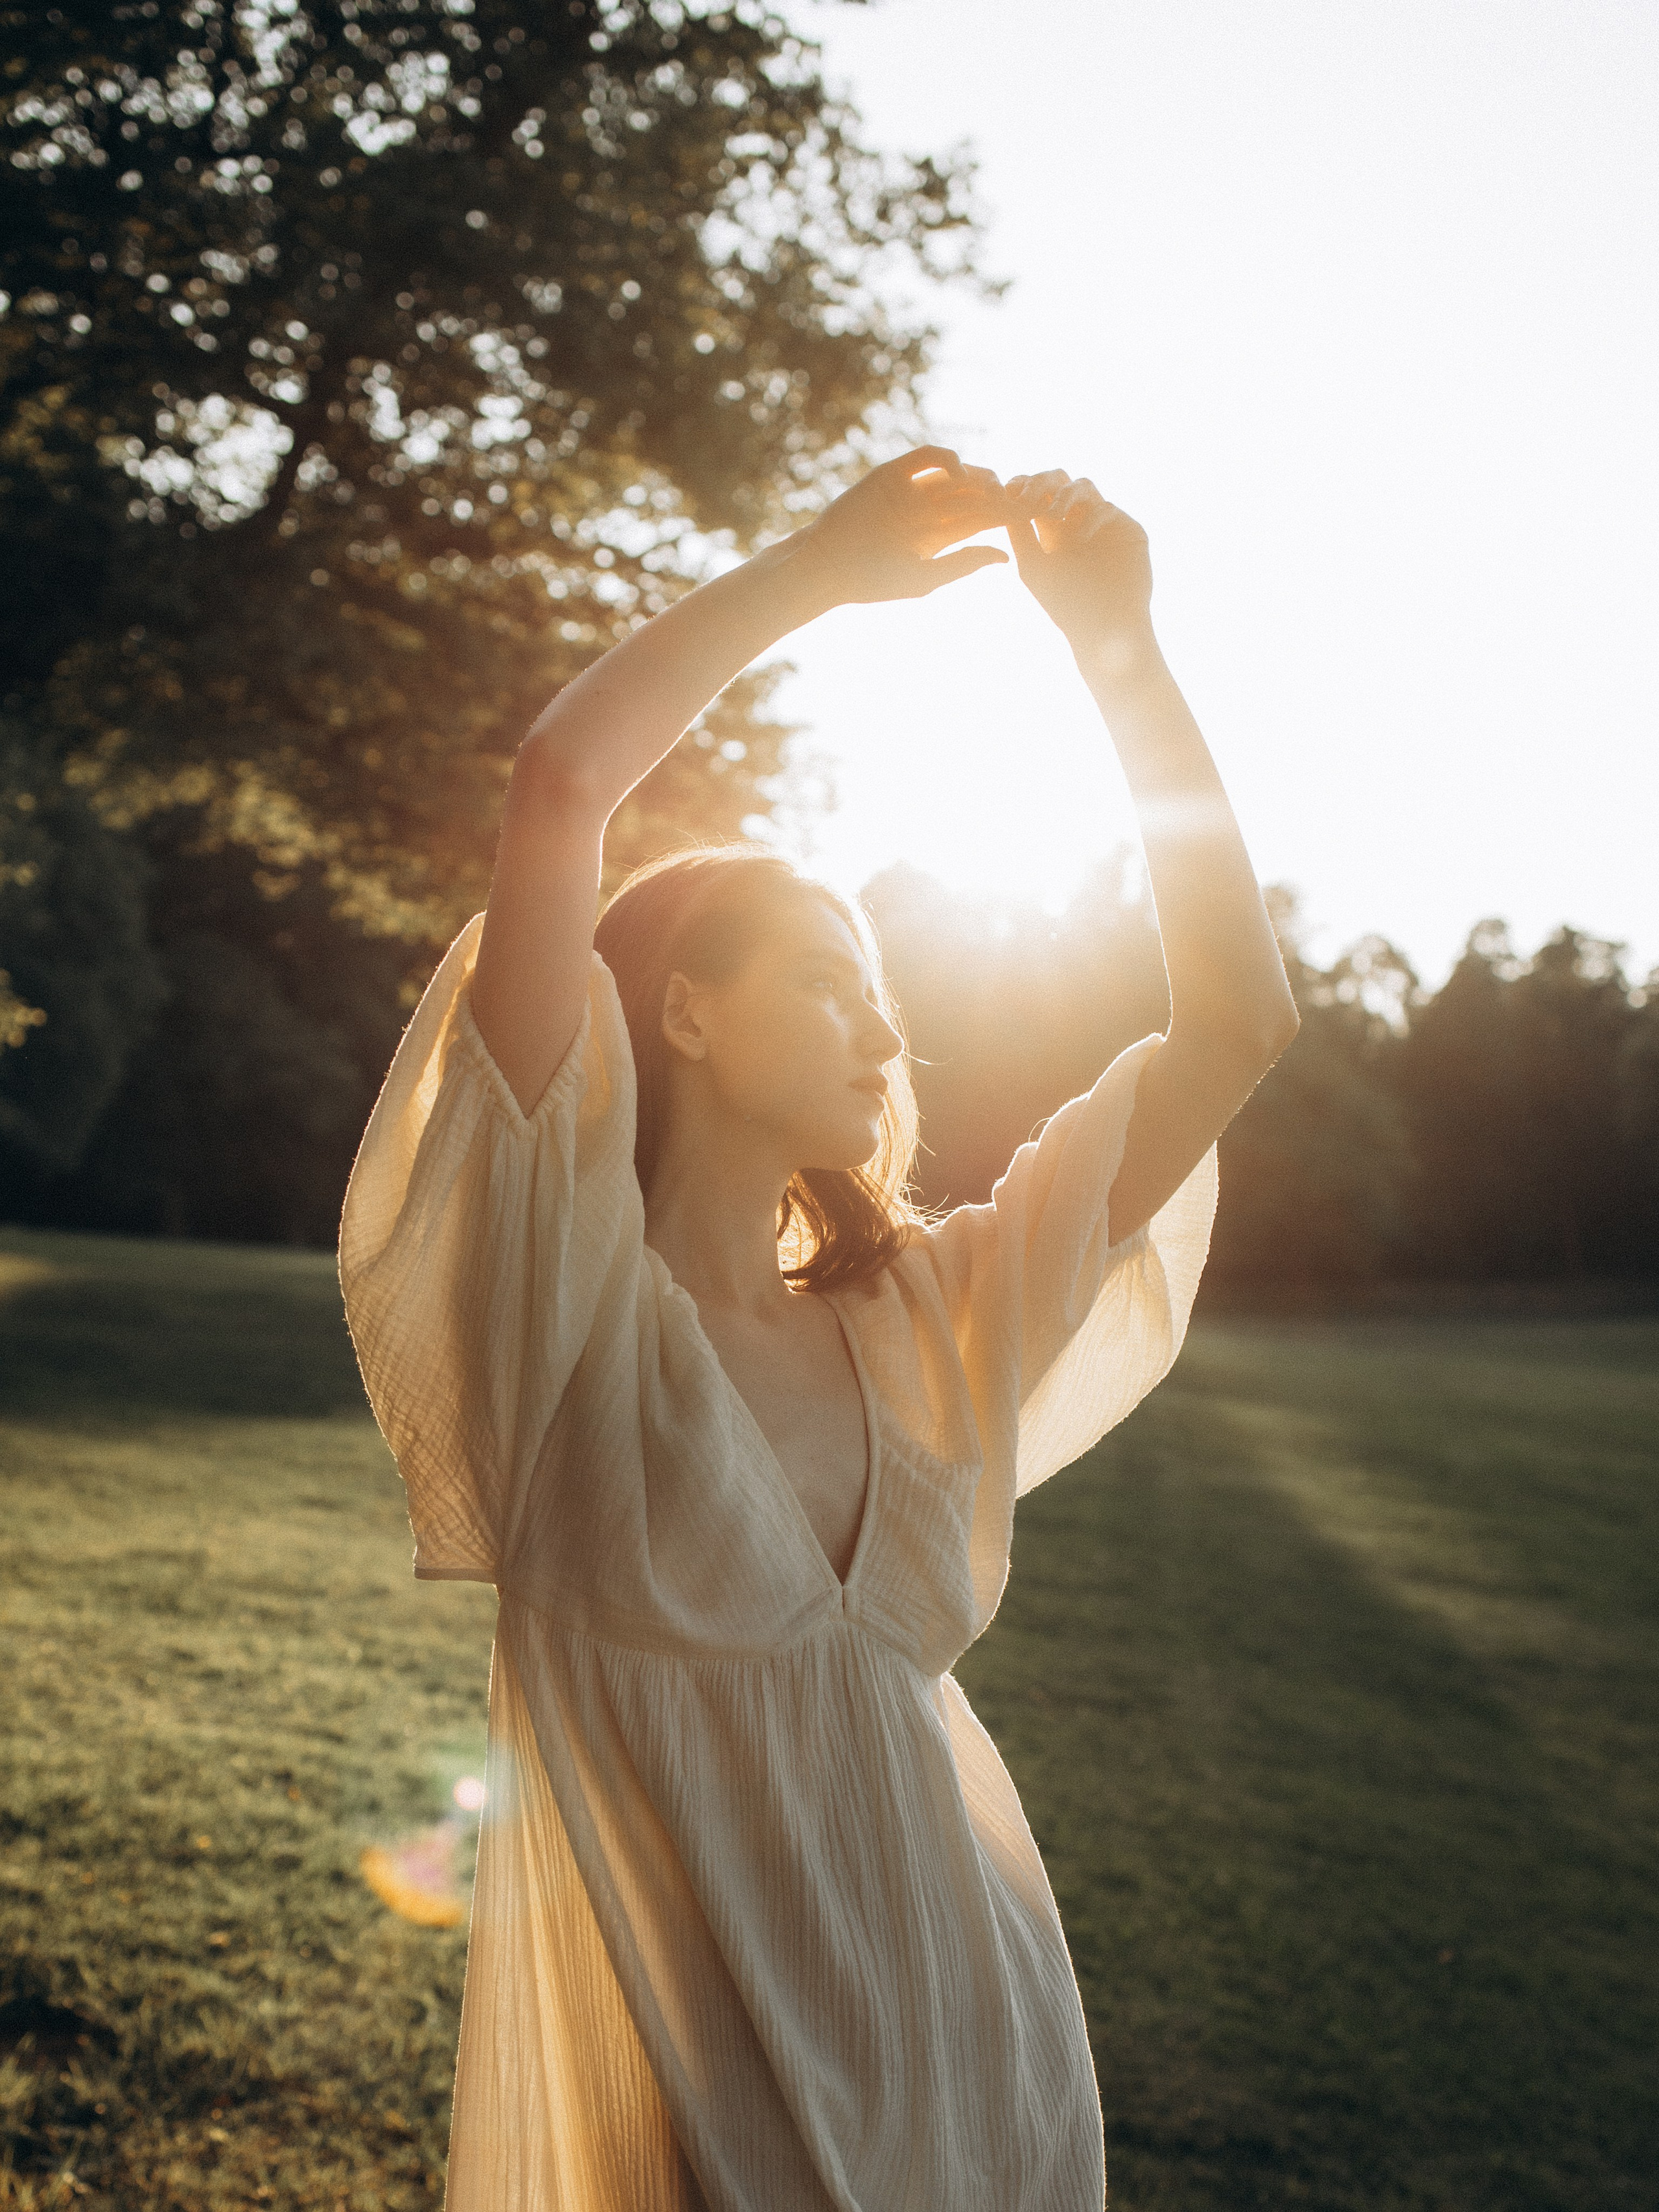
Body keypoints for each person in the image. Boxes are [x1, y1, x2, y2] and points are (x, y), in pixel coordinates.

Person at [338, 449, 1298, 2211]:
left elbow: (1239, 1016)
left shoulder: (939, 1315)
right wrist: (816, 571)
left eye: (890, 995)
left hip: (985, 2062)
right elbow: (559, 789)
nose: (884, 1031)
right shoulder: (563, 1317)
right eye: (831, 980)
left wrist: (1121, 656)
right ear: (682, 1012)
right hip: (714, 2111)